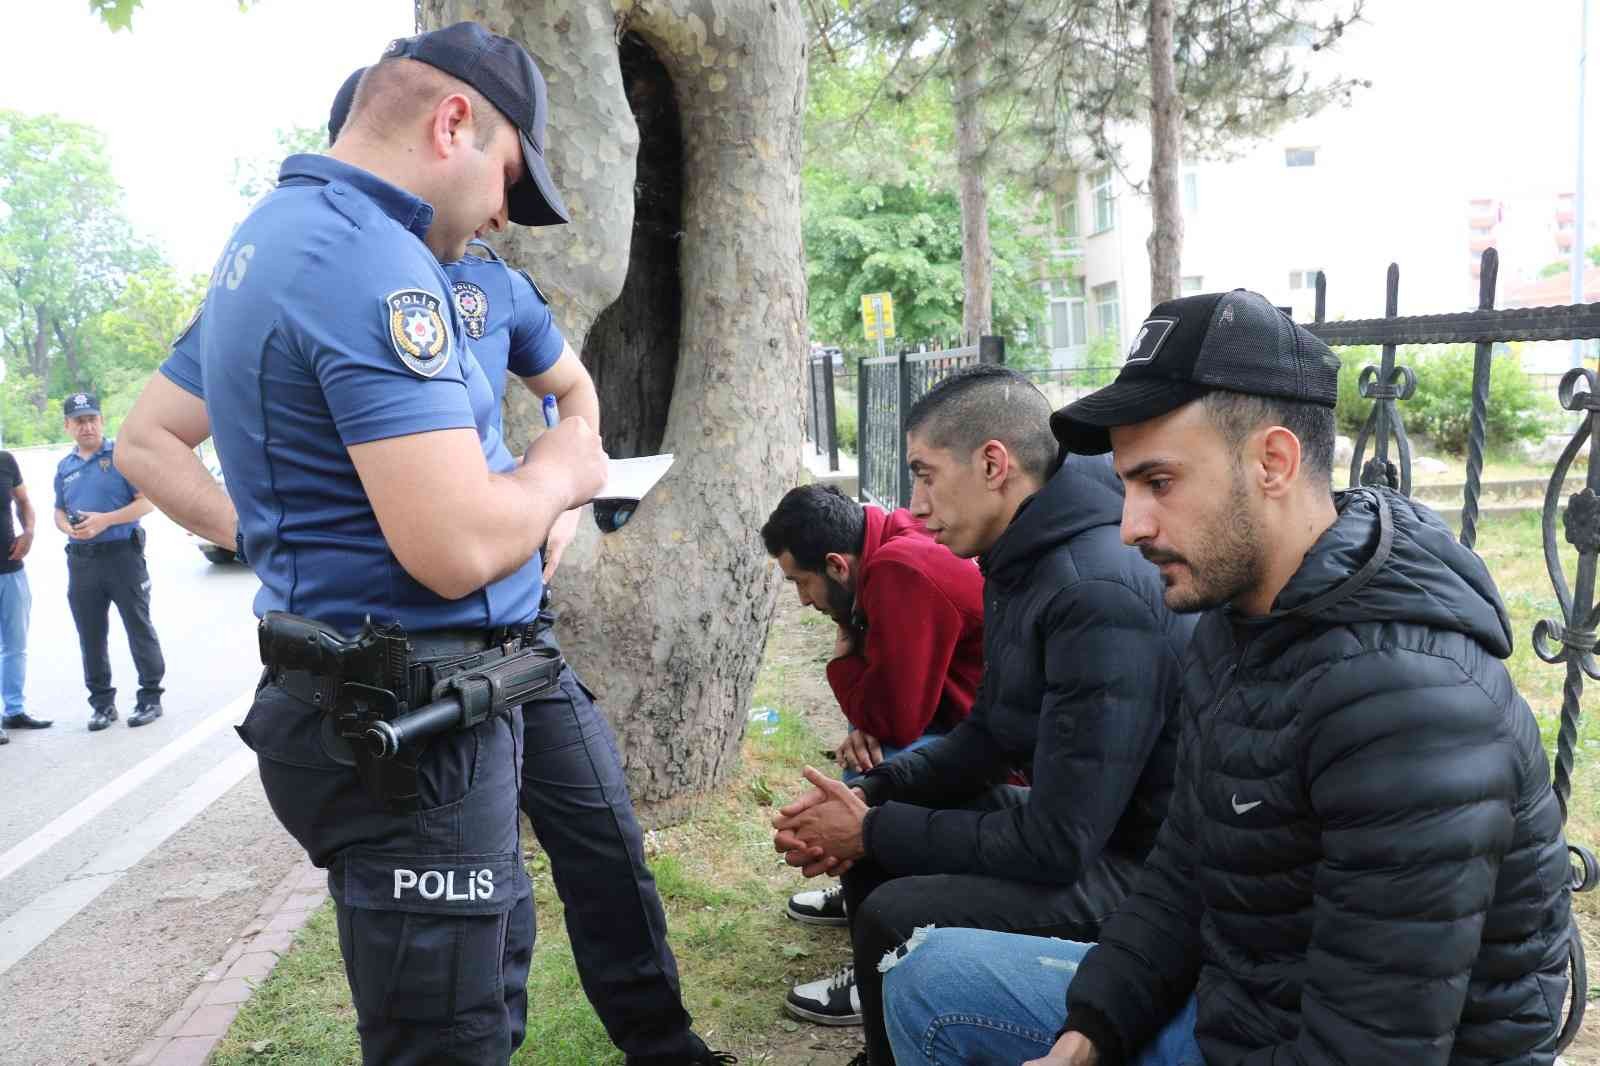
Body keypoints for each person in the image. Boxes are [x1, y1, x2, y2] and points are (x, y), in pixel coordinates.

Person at [881, 289, 1573, 1066]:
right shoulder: (1240, 618)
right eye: (1127, 484)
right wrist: (1091, 1032)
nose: (1129, 524)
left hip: (1313, 1040)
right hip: (1241, 1003)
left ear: (1272, 462)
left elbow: (1373, 1046)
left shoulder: (1407, 704)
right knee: (928, 979)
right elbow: (1183, 870)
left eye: (1159, 482)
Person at [327, 69, 733, 1066]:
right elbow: (158, 438)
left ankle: (664, 1044)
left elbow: (575, 393)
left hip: (520, 639)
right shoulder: (329, 278)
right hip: (414, 659)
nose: (500, 215)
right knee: (468, 906)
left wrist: (561, 496)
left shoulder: (490, 285)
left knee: (601, 836)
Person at [772, 365, 1193, 1065]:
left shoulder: (1093, 590)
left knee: (890, 906)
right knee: (875, 858)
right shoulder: (1021, 556)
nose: (915, 501)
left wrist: (875, 829)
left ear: (994, 464)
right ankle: (889, 1042)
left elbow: (1060, 843)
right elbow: (991, 734)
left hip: (1142, 870)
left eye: (926, 474)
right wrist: (872, 795)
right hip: (1088, 828)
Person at [760, 482, 985, 926]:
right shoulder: (885, 537)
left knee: (869, 767)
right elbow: (887, 695)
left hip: (999, 754)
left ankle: (883, 933)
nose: (803, 600)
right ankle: (864, 890)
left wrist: (845, 658)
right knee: (866, 741)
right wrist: (869, 710)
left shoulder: (900, 570)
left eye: (802, 583)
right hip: (968, 723)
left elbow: (896, 722)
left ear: (836, 566)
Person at [54, 392, 165, 731]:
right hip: (83, 562)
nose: (86, 426)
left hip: (122, 558)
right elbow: (58, 510)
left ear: (101, 421)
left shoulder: (121, 455)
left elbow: (148, 502)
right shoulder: (66, 467)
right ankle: (102, 704)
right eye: (79, 421)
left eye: (92, 419)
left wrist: (106, 520)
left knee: (138, 627)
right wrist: (68, 529)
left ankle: (150, 697)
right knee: (90, 634)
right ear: (68, 426)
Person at [0, 446, 47, 745]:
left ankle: (14, 710)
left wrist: (28, 532)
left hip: (11, 569)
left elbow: (24, 501)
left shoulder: (5, 461)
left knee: (16, 645)